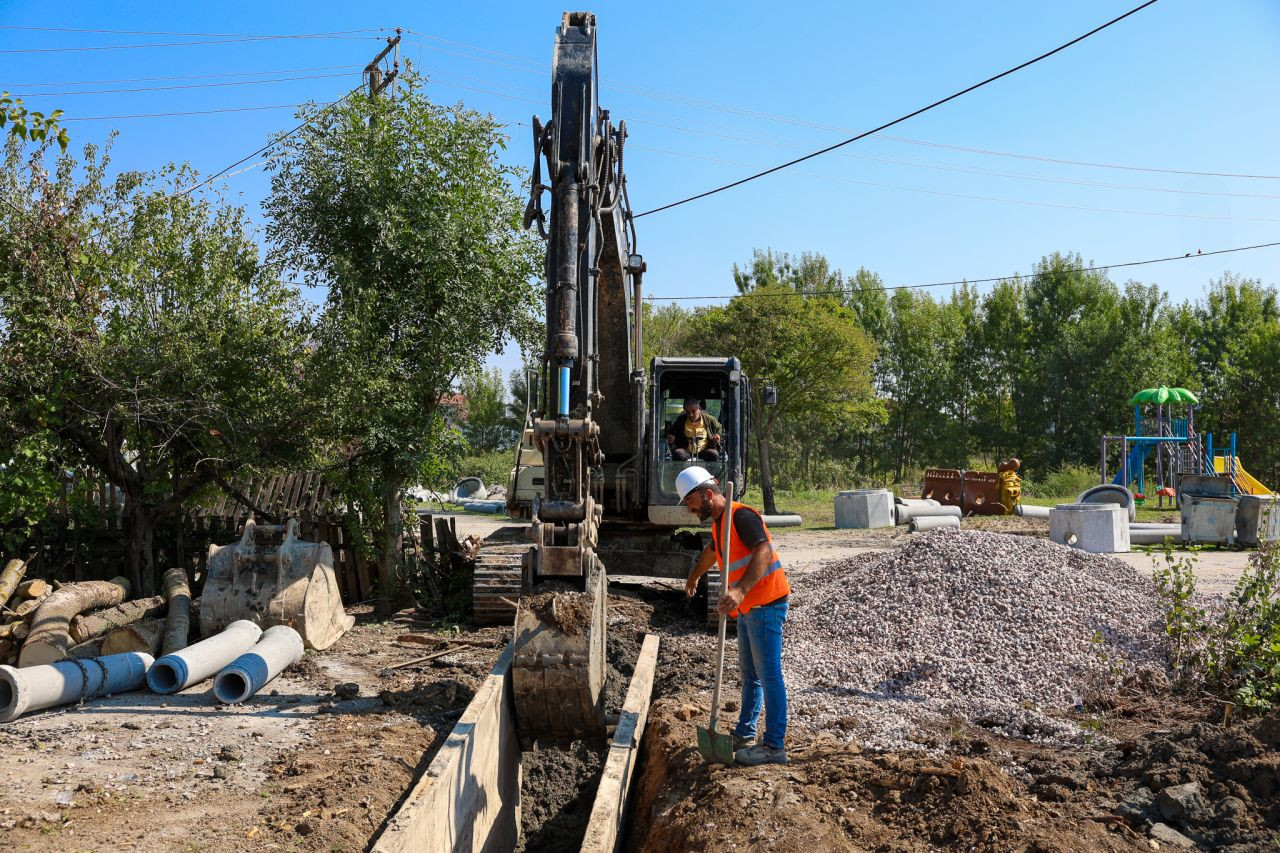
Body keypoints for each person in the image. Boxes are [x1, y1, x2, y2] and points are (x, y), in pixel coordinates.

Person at [676, 466, 791, 766]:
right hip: (750, 607)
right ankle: (745, 733)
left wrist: (739, 590)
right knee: (750, 675)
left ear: (707, 494)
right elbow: (711, 553)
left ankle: (775, 746)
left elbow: (763, 552)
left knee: (769, 676)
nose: (690, 510)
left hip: (766, 602)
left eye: (691, 502)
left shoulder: (742, 516)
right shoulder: (719, 523)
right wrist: (693, 578)